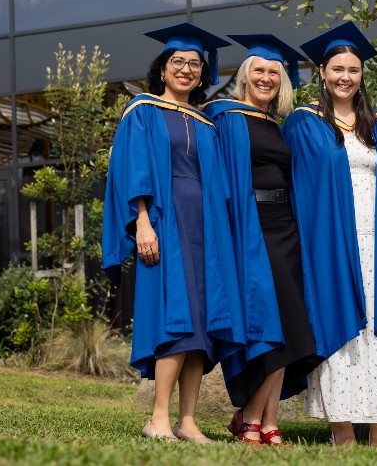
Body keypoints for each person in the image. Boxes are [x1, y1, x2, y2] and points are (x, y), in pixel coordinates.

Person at [102, 23, 244, 443]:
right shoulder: (142, 112)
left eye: (194, 64)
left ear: (203, 73)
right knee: (175, 321)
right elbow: (132, 170)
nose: (186, 69)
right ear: (162, 70)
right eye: (177, 62)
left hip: (204, 232)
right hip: (164, 226)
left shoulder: (206, 124)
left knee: (201, 327)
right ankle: (158, 419)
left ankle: (188, 421)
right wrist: (142, 222)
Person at [283, 22, 377, 445]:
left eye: (353, 70)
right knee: (339, 327)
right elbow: (297, 184)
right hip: (331, 245)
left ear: (361, 75)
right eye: (337, 68)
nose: (345, 77)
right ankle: (342, 431)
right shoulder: (305, 122)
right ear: (322, 71)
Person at [203, 34, 320, 446]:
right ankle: (254, 417)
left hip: (285, 224)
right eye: (259, 71)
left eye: (274, 72)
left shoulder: (280, 124)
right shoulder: (226, 115)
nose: (267, 78)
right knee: (269, 321)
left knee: (288, 321)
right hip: (250, 224)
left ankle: (263, 419)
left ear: (282, 81)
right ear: (245, 77)